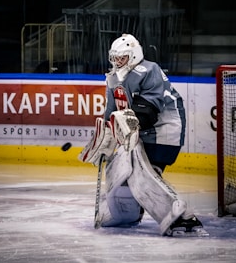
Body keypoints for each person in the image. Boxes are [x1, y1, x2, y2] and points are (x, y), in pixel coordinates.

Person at [79, 33, 207, 237]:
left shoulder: (149, 69)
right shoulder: (112, 78)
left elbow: (149, 108)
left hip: (164, 129)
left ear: (134, 55)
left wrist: (131, 123)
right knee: (123, 171)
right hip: (140, 130)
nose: (117, 62)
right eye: (115, 58)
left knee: (145, 173)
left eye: (122, 57)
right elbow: (111, 111)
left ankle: (182, 216)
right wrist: (106, 138)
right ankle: (125, 213)